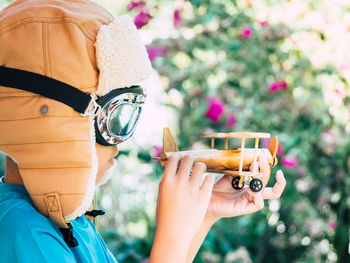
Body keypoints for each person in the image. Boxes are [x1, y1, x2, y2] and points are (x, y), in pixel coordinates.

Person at [0, 0, 286, 262]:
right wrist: (171, 233)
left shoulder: (64, 220)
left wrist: (205, 213)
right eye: (113, 118)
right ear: (49, 122)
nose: (120, 142)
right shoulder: (24, 233)